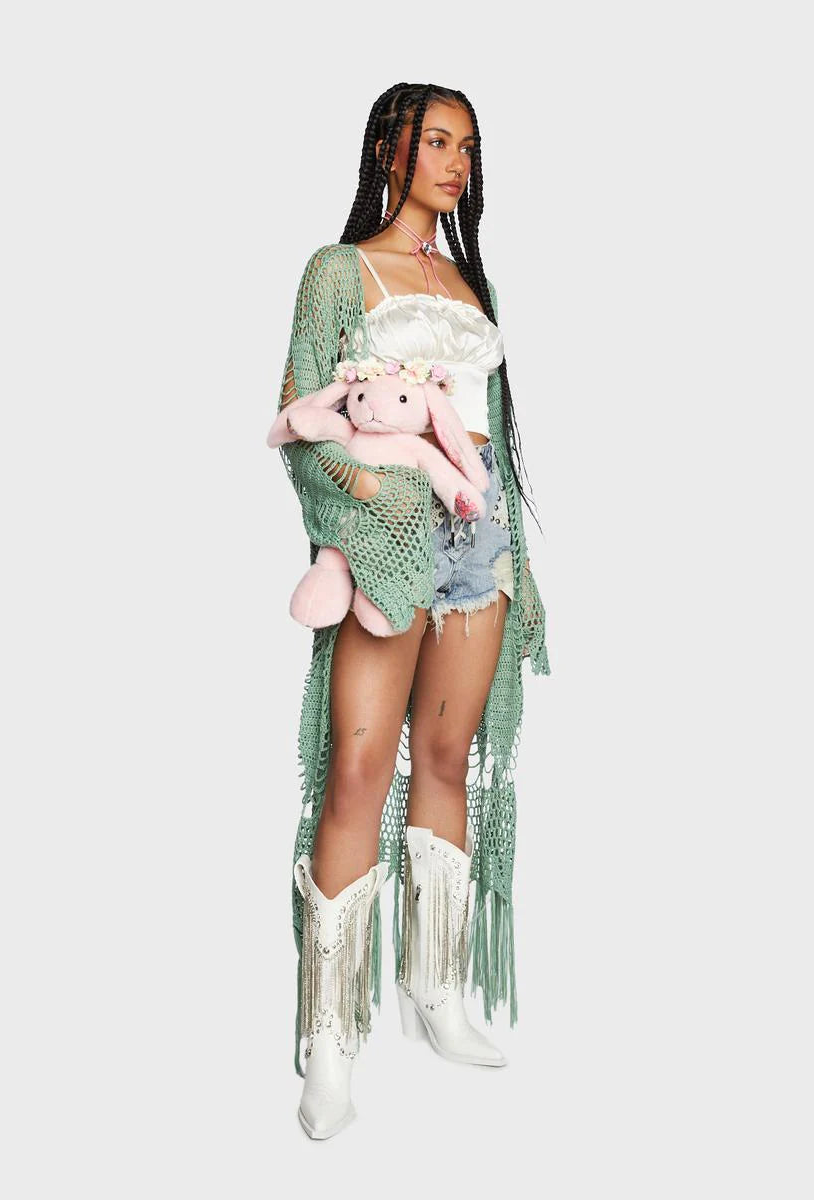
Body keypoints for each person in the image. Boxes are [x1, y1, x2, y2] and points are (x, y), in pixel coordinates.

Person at [268, 82, 550, 1140]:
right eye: (437, 141)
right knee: (354, 771)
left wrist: (516, 556)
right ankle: (328, 1040)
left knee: (445, 757)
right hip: (389, 538)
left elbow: (487, 434)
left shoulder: (474, 283)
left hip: (479, 538)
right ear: (391, 148)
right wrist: (366, 498)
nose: (455, 163)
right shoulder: (338, 270)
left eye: (467, 146)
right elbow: (301, 414)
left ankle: (436, 990)